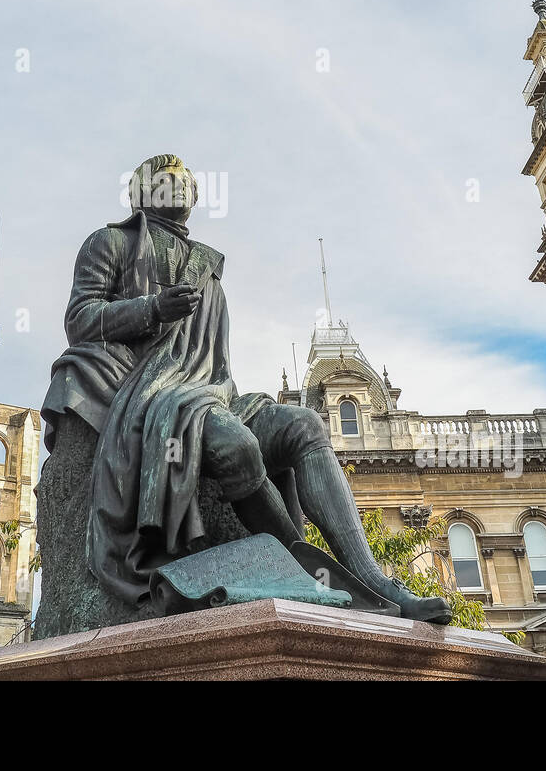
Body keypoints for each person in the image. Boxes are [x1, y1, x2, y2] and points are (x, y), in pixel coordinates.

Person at [42, 154, 451, 623]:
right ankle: (303, 567)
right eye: (167, 179)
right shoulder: (110, 243)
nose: (181, 186)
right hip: (150, 394)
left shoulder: (208, 268)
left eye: (186, 181)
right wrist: (153, 309)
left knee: (305, 425)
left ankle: (375, 581)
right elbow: (80, 319)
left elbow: (212, 362)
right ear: (142, 192)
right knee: (237, 446)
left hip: (212, 393)